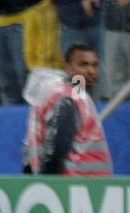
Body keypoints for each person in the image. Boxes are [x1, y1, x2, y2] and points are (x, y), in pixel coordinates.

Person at [22, 44, 112, 177]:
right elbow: (57, 150)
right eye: (83, 65)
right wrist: (45, 184)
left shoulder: (63, 95)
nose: (91, 71)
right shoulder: (69, 99)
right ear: (68, 68)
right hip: (77, 188)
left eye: (94, 65)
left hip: (80, 187)